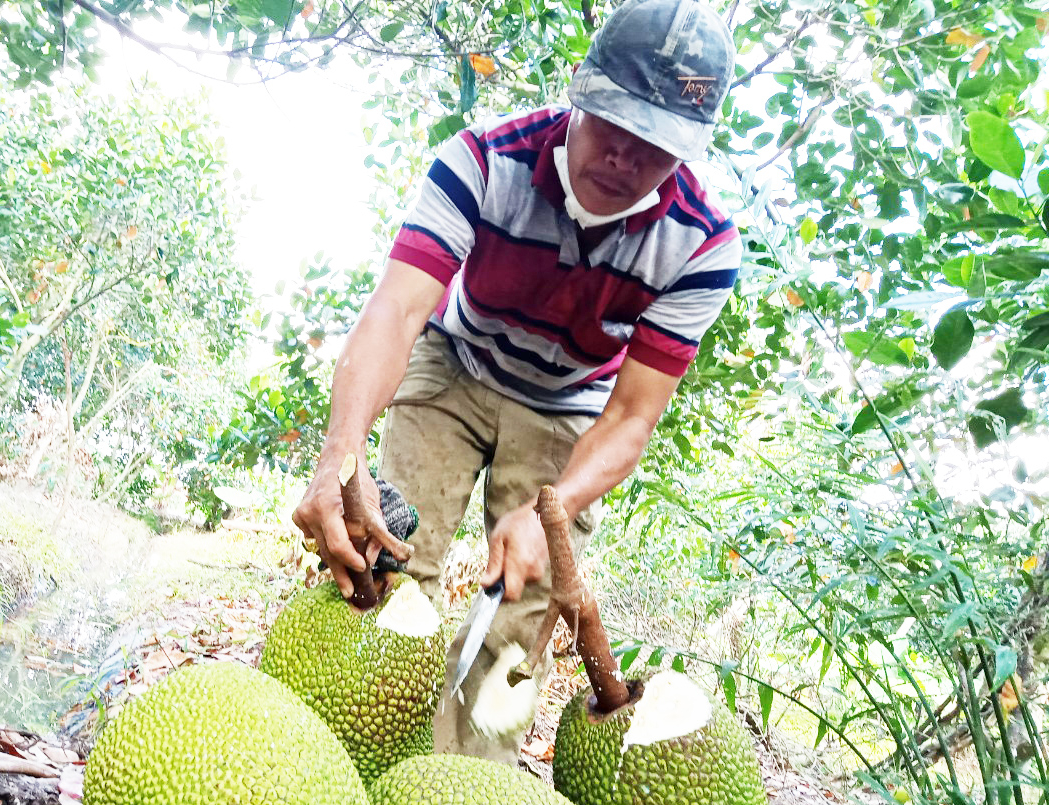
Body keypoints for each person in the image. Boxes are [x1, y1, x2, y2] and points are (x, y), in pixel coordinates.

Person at [292, 0, 741, 764]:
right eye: (616, 127)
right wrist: (341, 453)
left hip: (572, 405)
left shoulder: (702, 245)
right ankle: (342, 768)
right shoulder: (481, 161)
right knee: (387, 559)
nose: (627, 159)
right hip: (455, 360)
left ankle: (469, 793)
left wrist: (553, 513)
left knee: (522, 604)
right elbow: (398, 311)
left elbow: (633, 417)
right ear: (581, 92)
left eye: (656, 145)